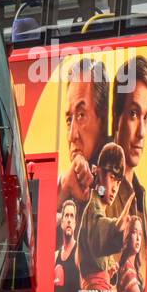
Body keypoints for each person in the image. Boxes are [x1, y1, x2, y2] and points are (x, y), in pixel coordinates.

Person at [76, 143, 135, 292]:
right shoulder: (92, 210)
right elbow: (100, 231)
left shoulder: (98, 211)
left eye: (118, 181)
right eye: (111, 177)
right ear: (97, 173)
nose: (115, 187)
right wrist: (118, 226)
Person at [59, 57, 110, 207]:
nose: (72, 136)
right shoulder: (66, 182)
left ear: (103, 119)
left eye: (81, 115)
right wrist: (64, 187)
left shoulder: (114, 171)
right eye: (69, 120)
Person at [111, 55, 147, 223]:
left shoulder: (139, 194)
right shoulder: (101, 188)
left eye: (146, 117)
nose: (142, 132)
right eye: (134, 114)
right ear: (116, 118)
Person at [53, 198, 81, 292]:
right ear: (62, 223)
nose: (69, 220)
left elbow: (85, 290)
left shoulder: (80, 252)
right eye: (66, 216)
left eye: (72, 216)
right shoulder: (55, 256)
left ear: (75, 223)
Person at [116, 214, 145, 292]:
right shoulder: (128, 270)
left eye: (140, 234)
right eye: (134, 232)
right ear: (128, 235)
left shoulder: (131, 267)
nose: (138, 238)